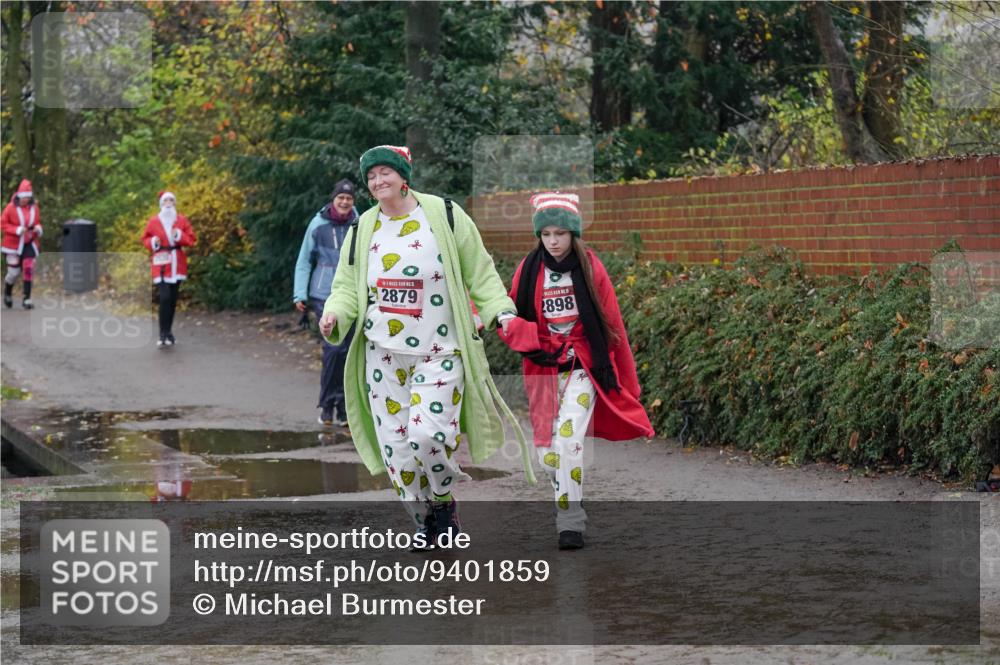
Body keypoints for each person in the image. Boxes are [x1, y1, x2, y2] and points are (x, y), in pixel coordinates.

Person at [319, 145, 534, 549]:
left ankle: (442, 500)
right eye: (371, 176)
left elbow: (480, 271)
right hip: (383, 355)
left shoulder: (444, 214)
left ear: (404, 177)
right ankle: (425, 523)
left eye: (385, 172)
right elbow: (347, 287)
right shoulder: (363, 227)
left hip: (440, 351)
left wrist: (499, 312)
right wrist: (335, 315)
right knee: (399, 455)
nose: (378, 181)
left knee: (428, 437)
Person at [497, 192, 653, 550]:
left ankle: (569, 522)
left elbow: (613, 325)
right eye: (546, 233)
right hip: (543, 370)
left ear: (573, 235)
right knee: (547, 454)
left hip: (584, 366)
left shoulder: (592, 268)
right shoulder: (528, 267)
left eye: (560, 234)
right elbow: (510, 310)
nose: (553, 241)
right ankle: (570, 493)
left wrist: (626, 382)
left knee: (569, 441)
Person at [293, 179, 359, 427]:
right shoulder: (318, 225)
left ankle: (343, 406)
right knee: (334, 347)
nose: (344, 202)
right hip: (324, 293)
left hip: (352, 295)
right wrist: (300, 293)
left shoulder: (360, 223)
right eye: (340, 198)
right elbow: (304, 260)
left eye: (349, 198)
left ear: (353, 201)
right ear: (333, 199)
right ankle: (327, 404)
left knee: (349, 352)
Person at [141, 191, 196, 347]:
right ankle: (162, 333)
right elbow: (144, 239)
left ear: (175, 203)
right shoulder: (153, 222)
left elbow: (191, 240)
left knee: (172, 299)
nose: (169, 203)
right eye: (166, 200)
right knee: (164, 297)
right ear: (161, 203)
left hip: (177, 262)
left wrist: (179, 235)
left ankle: (168, 332)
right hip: (160, 262)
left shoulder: (182, 220)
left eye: (171, 200)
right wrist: (153, 241)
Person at [1, 179, 43, 309]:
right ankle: (8, 292)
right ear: (18, 196)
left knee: (28, 268)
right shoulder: (10, 208)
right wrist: (17, 230)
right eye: (24, 197)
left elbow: (37, 222)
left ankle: (27, 299)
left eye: (28, 197)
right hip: (12, 244)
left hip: (29, 242)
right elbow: (3, 224)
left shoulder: (35, 207)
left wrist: (38, 228)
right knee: (13, 273)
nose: (26, 200)